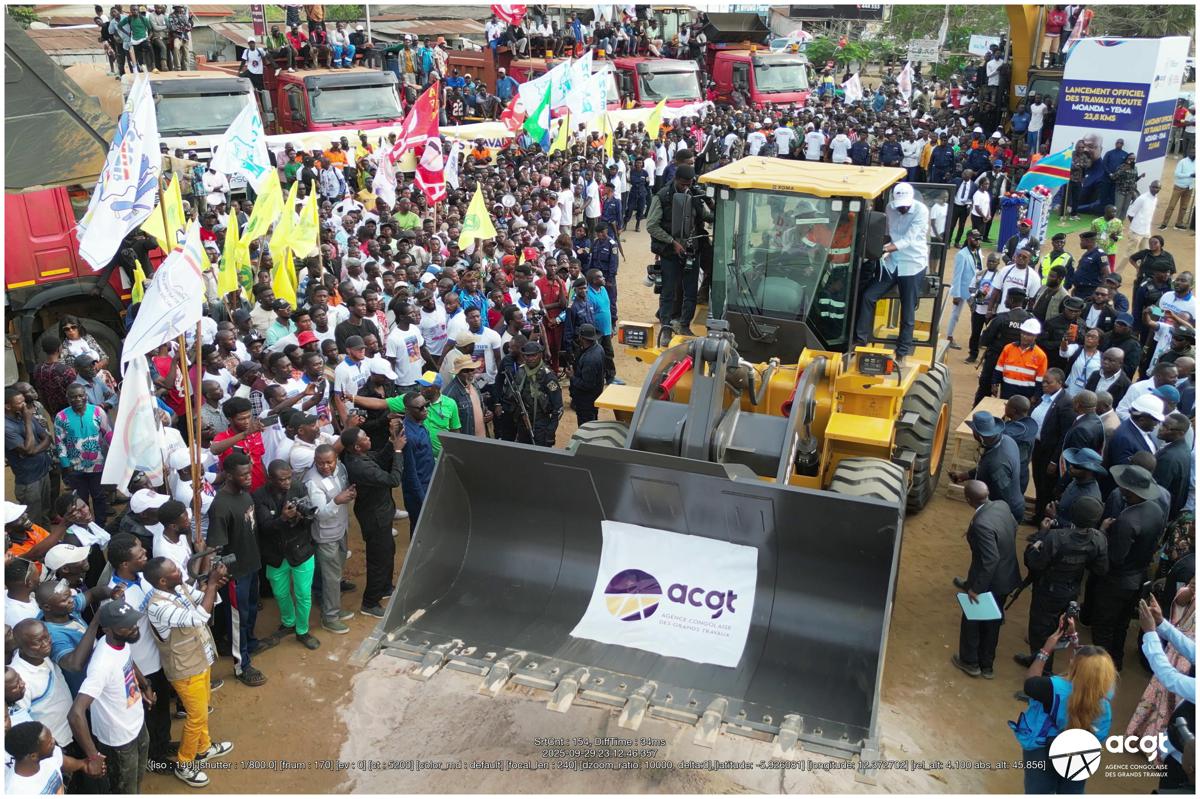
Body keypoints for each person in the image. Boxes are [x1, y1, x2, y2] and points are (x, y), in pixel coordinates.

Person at [143, 556, 234, 787]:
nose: (179, 570)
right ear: (163, 580)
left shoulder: (179, 587)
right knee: (197, 716)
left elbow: (204, 600)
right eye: (174, 569)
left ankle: (203, 748)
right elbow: (198, 617)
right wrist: (211, 585)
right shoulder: (158, 606)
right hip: (184, 669)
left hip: (199, 659)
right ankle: (185, 764)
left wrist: (214, 586)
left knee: (202, 708)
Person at [67, 600, 155, 795]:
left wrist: (145, 684)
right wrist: (93, 756)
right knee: (125, 789)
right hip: (118, 740)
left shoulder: (121, 641)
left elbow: (128, 662)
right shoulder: (101, 664)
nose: (133, 628)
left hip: (137, 723)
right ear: (107, 629)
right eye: (126, 626)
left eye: (133, 622)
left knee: (138, 777)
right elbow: (75, 714)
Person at [1089, 464, 1167, 671]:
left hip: (1117, 582)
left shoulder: (1127, 519)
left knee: (1104, 626)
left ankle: (1100, 670)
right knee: (1121, 624)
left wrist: (1104, 532)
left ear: (1130, 491)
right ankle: (1117, 662)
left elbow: (1115, 557)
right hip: (1138, 577)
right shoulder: (1156, 509)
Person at [1016, 634, 1116, 793]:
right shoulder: (1105, 699)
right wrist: (1074, 638)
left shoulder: (1051, 687)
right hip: (1079, 755)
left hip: (1041, 748)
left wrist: (1046, 648)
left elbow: (1030, 683)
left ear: (1074, 666)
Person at [1019, 496, 1109, 671]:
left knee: (1040, 632)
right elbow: (1101, 568)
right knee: (1056, 629)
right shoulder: (1098, 539)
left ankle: (1043, 675)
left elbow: (1035, 563)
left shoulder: (1055, 537)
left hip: (1048, 592)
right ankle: (1036, 659)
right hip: (1070, 591)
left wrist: (1040, 535)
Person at [205, 451, 268, 687]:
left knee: (251, 610)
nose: (250, 478)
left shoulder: (245, 495)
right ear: (229, 475)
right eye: (244, 475)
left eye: (250, 473)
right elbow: (215, 547)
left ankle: (250, 644)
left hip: (252, 565)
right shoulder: (220, 506)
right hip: (235, 575)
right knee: (238, 619)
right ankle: (242, 666)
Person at [950, 480, 1021, 680]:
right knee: (993, 623)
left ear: (968, 500)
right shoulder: (1002, 505)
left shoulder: (981, 524)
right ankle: (987, 666)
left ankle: (970, 662)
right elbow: (1012, 528)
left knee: (972, 621)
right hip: (1007, 576)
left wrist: (976, 588)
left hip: (988, 581)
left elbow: (991, 559)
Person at [854, 183, 929, 364]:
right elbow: (888, 232)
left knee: (908, 309)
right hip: (891, 263)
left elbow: (908, 240)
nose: (902, 208)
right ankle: (860, 340)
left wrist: (881, 249)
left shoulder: (921, 211)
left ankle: (902, 351)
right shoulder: (890, 207)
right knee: (868, 296)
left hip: (912, 264)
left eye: (905, 205)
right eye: (900, 205)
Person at [341, 424, 405, 618]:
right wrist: (398, 450)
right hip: (374, 518)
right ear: (357, 448)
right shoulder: (360, 467)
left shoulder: (361, 457)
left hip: (380, 514)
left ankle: (385, 588)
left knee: (388, 551)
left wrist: (391, 442)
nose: (369, 438)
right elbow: (393, 479)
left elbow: (377, 458)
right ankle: (370, 602)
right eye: (364, 438)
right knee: (378, 559)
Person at [1136, 589, 1196, 789]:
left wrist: (1151, 633)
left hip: (1185, 763)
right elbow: (1193, 651)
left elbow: (1170, 678)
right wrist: (1162, 624)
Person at [646, 164, 711, 340]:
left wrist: (713, 203)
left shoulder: (694, 194)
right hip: (670, 252)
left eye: (689, 184)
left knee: (690, 291)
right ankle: (666, 327)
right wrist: (672, 242)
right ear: (676, 180)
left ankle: (684, 325)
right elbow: (651, 225)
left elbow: (706, 216)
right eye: (683, 184)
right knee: (668, 291)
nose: (685, 187)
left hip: (692, 251)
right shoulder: (662, 196)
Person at [949, 412, 1025, 524]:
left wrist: (988, 516)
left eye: (973, 430)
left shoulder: (996, 465)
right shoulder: (1006, 440)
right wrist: (964, 476)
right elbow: (985, 467)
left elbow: (1003, 496)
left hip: (1006, 512)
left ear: (979, 436)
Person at [1030, 368, 1075, 524]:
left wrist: (1055, 461)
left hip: (1050, 453)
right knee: (1037, 481)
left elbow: (1065, 436)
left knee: (1046, 487)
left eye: (1048, 382)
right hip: (1038, 447)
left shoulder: (1066, 403)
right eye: (1043, 381)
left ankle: (1044, 521)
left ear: (1059, 383)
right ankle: (1037, 515)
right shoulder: (1045, 397)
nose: (1044, 385)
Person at [5, 385, 53, 526]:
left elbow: (47, 437)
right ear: (7, 406)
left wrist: (33, 451)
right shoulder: (6, 427)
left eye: (23, 401)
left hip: (43, 472)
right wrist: (27, 420)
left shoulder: (23, 414)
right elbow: (27, 449)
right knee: (33, 518)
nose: (24, 405)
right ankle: (38, 546)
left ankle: (47, 542)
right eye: (20, 403)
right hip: (28, 481)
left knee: (45, 512)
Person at [946, 230, 982, 350]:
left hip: (975, 289)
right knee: (955, 314)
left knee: (977, 314)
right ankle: (949, 337)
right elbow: (957, 276)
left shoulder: (978, 252)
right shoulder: (962, 254)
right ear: (968, 238)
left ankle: (977, 338)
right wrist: (956, 294)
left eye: (979, 239)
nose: (977, 241)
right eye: (975, 239)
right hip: (963, 289)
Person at [993, 318, 1047, 399]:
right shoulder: (1008, 348)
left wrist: (1036, 396)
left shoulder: (1040, 355)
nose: (1025, 336)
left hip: (1026, 394)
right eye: (1023, 333)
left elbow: (1040, 379)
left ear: (1035, 336)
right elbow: (999, 368)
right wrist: (995, 383)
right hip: (1007, 390)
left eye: (1029, 334)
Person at [569, 323, 605, 425]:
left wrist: (572, 376)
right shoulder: (599, 348)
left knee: (586, 428)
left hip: (586, 401)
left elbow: (587, 385)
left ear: (582, 337)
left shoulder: (589, 359)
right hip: (595, 396)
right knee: (593, 424)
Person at [1158, 149, 1195, 231]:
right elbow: (1177, 174)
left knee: (1184, 207)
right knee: (1171, 206)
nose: (1194, 154)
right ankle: (1164, 223)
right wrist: (1190, 175)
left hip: (1190, 187)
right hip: (1179, 187)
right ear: (1188, 153)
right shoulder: (1183, 162)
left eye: (1195, 153)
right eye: (1192, 152)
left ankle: (1179, 223)